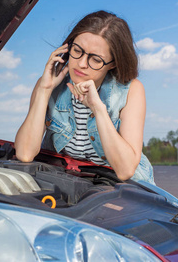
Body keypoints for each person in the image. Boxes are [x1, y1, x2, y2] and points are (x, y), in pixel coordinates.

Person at [14, 10, 155, 184]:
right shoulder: (48, 84)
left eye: (95, 59)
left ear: (113, 64)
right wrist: (44, 90)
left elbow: (125, 170)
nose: (81, 63)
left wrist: (98, 108)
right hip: (69, 184)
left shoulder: (131, 91)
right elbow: (24, 153)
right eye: (78, 50)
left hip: (125, 189)